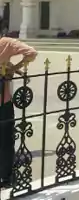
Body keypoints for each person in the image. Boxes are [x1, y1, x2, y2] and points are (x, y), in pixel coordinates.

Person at [0, 37, 37, 188]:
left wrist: (15, 70)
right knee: (6, 141)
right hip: (3, 102)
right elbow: (32, 53)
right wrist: (15, 69)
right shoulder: (5, 43)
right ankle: (6, 177)